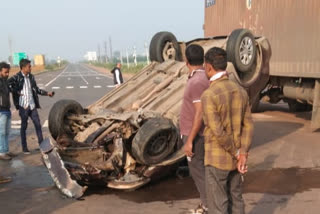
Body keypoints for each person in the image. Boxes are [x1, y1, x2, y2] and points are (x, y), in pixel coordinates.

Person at [201, 47, 254, 214]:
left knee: (218, 206)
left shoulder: (209, 95)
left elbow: (218, 132)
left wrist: (237, 152)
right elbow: (249, 125)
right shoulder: (241, 91)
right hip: (236, 161)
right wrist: (242, 153)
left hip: (217, 159)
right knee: (236, 200)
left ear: (208, 67)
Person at [180, 44, 210, 214]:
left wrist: (190, 140)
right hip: (196, 133)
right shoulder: (200, 77)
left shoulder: (197, 81)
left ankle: (208, 206)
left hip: (196, 135)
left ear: (186, 61)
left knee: (198, 171)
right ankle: (208, 204)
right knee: (200, 171)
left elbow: (199, 112)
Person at [8, 59, 54, 154]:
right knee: (24, 127)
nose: (31, 68)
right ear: (24, 67)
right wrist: (16, 91)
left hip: (32, 105)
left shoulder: (31, 77)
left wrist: (47, 93)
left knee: (38, 125)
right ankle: (24, 148)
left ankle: (42, 146)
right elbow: (8, 85)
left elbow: (36, 89)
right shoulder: (16, 77)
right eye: (29, 66)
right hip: (23, 106)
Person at [0, 62, 12, 160]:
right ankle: (2, 153)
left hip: (7, 110)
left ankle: (6, 150)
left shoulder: (5, 82)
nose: (7, 74)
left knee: (7, 132)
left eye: (8, 72)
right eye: (5, 72)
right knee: (2, 132)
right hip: (1, 111)